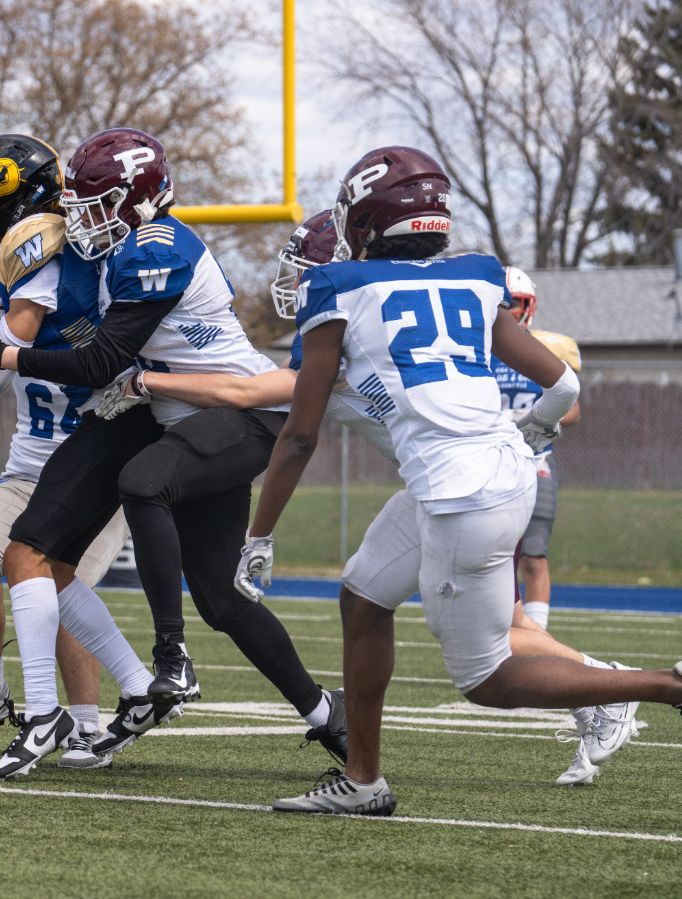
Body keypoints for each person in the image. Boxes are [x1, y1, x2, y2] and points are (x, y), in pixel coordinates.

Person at [245, 146, 682, 815]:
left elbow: (300, 436)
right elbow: (564, 385)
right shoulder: (475, 277)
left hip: (461, 497)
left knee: (486, 678)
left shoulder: (336, 288)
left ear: (366, 219)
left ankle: (657, 686)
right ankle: (363, 781)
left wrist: (259, 535)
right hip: (491, 474)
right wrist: (531, 431)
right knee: (363, 597)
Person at [169, 210, 642, 787]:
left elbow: (242, 392)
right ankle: (366, 777)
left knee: (487, 661)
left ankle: (620, 687)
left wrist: (147, 381)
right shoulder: (382, 310)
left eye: (307, 270)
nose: (296, 283)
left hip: (462, 491)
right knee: (375, 598)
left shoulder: (344, 333)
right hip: (462, 482)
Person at [0, 129, 343, 778]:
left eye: (94, 206)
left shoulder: (155, 246)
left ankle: (171, 659)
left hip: (234, 415)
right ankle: (326, 713)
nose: (80, 220)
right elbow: (72, 326)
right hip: (159, 414)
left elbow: (101, 360)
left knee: (145, 486)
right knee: (216, 596)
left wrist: (3, 351)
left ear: (136, 201)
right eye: (75, 206)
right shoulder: (107, 248)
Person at [0, 134, 147, 774]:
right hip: (31, 463)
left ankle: (84, 722)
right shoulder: (22, 260)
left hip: (93, 460)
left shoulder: (53, 258)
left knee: (51, 578)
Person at [493, 266, 581, 629]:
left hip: (535, 458)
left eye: (516, 303)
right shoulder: (474, 349)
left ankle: (537, 635)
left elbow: (572, 410)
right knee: (491, 553)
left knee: (534, 554)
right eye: (505, 303)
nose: (510, 310)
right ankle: (498, 626)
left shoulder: (548, 348)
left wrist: (539, 419)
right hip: (489, 461)